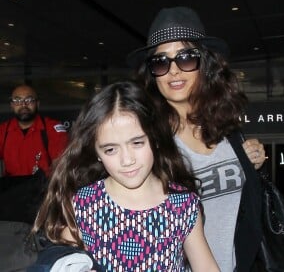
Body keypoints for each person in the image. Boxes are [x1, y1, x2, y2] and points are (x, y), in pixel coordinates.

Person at [127, 6, 266, 271]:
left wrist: (252, 164)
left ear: (205, 64)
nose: (174, 71)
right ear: (152, 73)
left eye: (186, 58)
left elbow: (247, 206)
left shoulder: (228, 129)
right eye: (161, 61)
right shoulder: (147, 139)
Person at [32, 81, 220, 271]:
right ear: (96, 152)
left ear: (154, 137)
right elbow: (61, 261)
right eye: (111, 149)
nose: (127, 159)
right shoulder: (82, 204)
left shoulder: (183, 205)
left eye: (137, 143)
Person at [0, 84, 68, 177]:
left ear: (37, 104)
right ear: (12, 105)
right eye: (17, 100)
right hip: (12, 188)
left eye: (29, 100)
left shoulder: (52, 128)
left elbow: (61, 166)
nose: (23, 105)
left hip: (43, 187)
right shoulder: (3, 130)